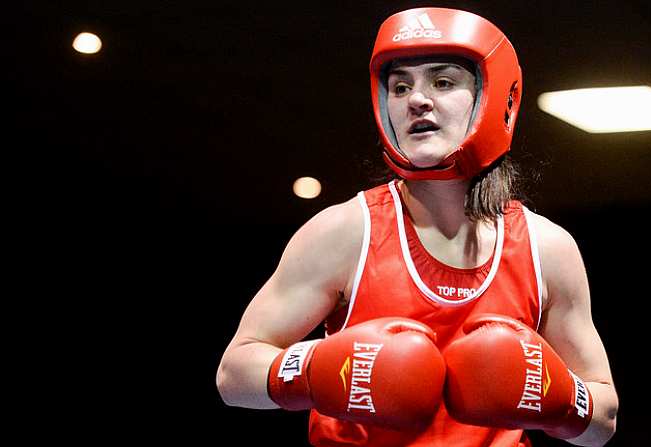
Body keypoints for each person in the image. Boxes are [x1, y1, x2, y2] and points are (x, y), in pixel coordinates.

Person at [216, 7, 618, 447]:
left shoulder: (547, 249)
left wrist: (556, 396)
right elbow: (234, 374)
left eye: (442, 82)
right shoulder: (345, 233)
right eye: (400, 85)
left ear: (497, 97)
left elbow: (603, 420)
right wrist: (317, 368)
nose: (416, 100)